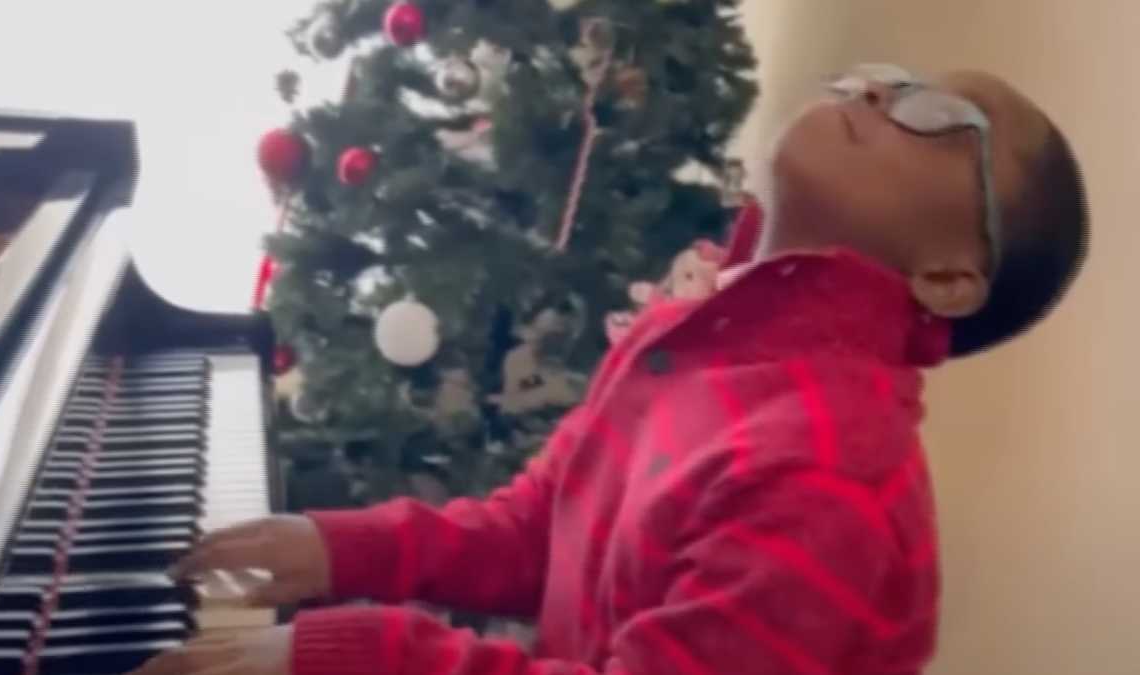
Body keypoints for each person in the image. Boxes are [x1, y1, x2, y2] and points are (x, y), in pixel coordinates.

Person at [130, 64, 1088, 675]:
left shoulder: (830, 477)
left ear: (949, 277)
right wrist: (338, 546)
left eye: (941, 116)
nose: (880, 94)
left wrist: (350, 653)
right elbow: (540, 529)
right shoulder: (707, 331)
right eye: (891, 79)